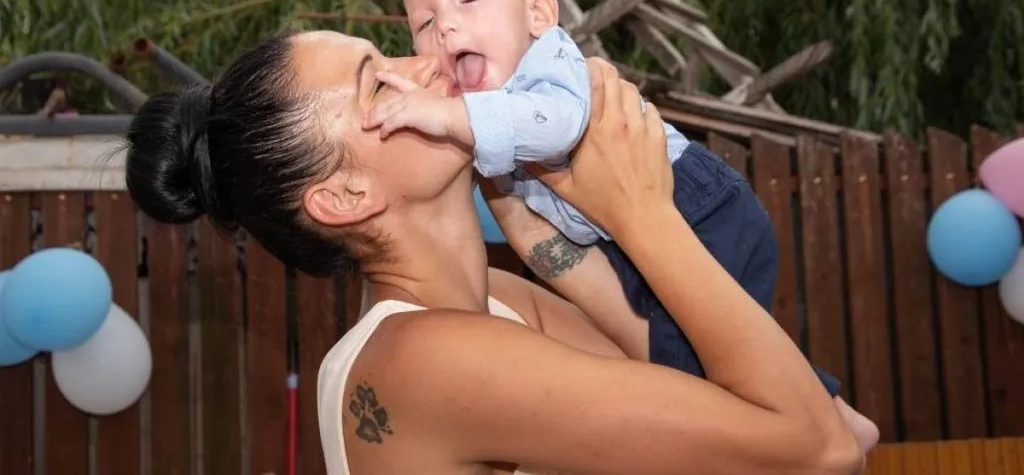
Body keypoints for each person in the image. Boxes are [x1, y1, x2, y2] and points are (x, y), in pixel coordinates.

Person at [124, 30, 864, 474]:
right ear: (344, 196)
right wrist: (644, 218)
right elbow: (817, 452)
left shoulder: (501, 305)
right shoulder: (421, 359)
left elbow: (725, 399)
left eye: (394, 51)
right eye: (377, 82)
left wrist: (551, 243)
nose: (426, 64)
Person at [367, 0, 879, 451]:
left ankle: (780, 443)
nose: (447, 26)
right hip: (627, 238)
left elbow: (557, 126)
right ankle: (834, 413)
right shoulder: (492, 99)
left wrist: (452, 115)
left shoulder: (548, 67)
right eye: (425, 23)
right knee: (719, 344)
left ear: (538, 12)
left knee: (684, 377)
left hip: (697, 209)